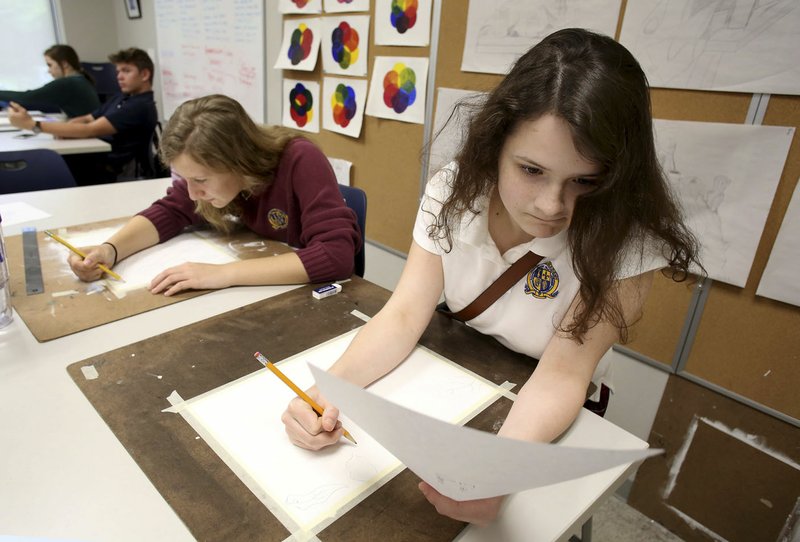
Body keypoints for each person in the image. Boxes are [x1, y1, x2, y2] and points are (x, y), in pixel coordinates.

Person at [281, 28, 701, 525]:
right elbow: (404, 313)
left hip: (548, 389)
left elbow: (563, 373)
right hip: (457, 359)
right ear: (495, 143)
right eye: (531, 170)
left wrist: (493, 472)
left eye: (585, 181)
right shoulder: (454, 189)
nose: (551, 205)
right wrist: (328, 392)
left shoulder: (629, 242)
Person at [67, 94, 361, 292]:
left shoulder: (299, 159)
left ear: (238, 161)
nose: (193, 193)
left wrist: (223, 274)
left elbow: (336, 255)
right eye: (185, 178)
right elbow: (171, 210)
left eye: (201, 180)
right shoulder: (210, 176)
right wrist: (110, 249)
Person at [7, 47, 157, 183]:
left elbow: (90, 129)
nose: (119, 76)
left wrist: (34, 125)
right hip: (100, 164)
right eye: (118, 71)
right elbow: (88, 118)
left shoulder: (139, 106)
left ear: (144, 74)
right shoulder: (122, 97)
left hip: (115, 174)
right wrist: (67, 130)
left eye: (126, 71)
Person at [0, 44, 100, 118]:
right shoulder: (80, 79)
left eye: (50, 65)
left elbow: (27, 97)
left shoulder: (68, 83)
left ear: (64, 64)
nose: (49, 70)